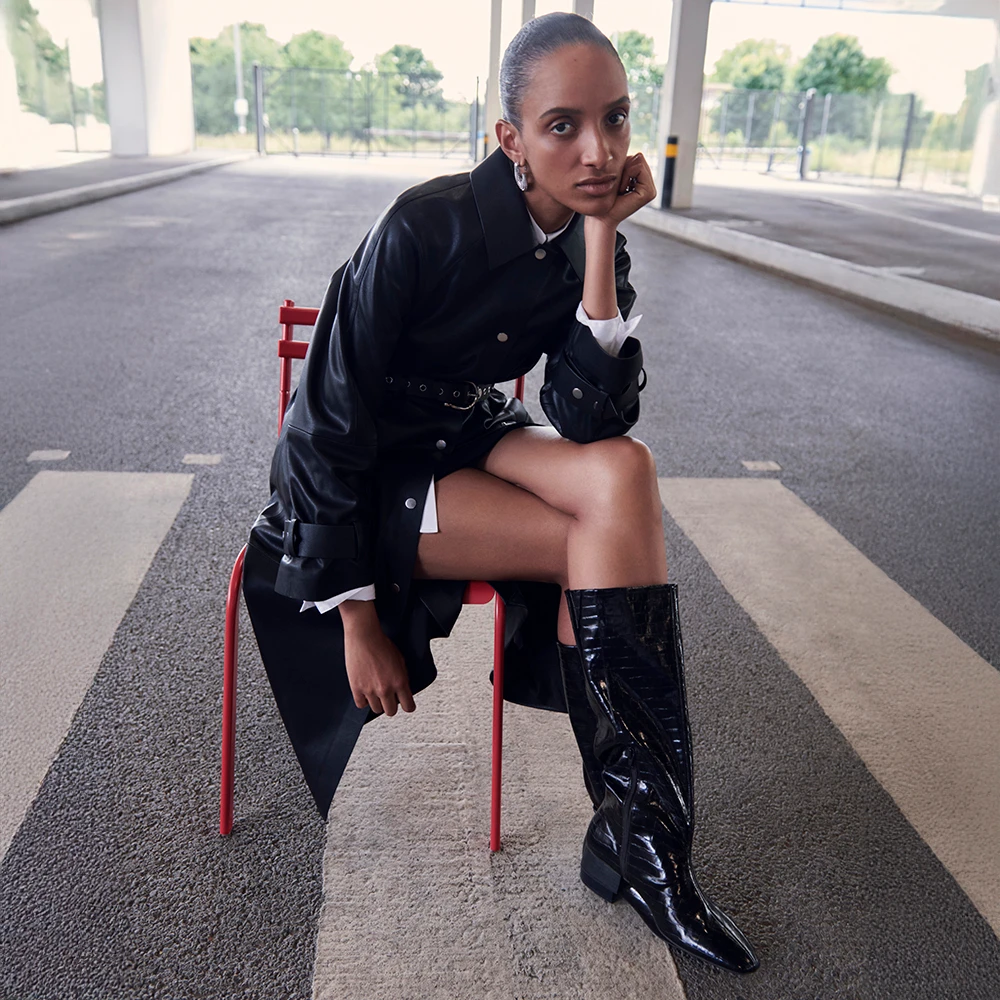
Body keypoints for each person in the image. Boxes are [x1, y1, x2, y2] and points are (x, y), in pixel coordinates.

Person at [241, 11, 758, 975]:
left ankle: (643, 838)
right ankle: (643, 844)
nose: (597, 149)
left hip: (468, 430)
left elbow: (592, 418)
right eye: (563, 125)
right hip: (376, 471)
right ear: (509, 137)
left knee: (624, 473)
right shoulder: (422, 223)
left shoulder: (584, 232)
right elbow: (323, 426)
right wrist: (357, 620)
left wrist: (600, 236)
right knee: (590, 541)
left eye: (614, 119)